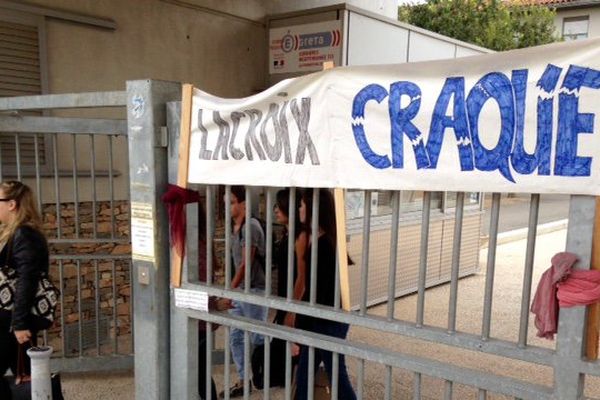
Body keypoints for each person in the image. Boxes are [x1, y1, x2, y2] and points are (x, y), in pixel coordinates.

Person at [294, 188, 357, 400]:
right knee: (304, 373)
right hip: (325, 318)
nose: (299, 208)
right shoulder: (324, 239)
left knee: (337, 378)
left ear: (313, 208)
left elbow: (317, 293)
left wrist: (298, 323)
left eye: (302, 204)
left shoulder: (323, 245)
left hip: (327, 320)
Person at [0, 181, 50, 395]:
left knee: (29, 377)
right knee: (30, 377)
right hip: (9, 319)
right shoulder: (12, 233)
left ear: (12, 204)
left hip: (12, 321)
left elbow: (26, 281)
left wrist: (19, 324)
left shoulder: (25, 235)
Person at [221, 185, 268, 398]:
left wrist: (230, 290)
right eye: (225, 203)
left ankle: (266, 375)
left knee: (258, 337)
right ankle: (243, 380)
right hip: (240, 290)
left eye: (231, 202)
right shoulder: (235, 227)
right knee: (236, 336)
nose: (227, 207)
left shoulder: (250, 227)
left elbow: (245, 264)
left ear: (243, 203)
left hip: (254, 290)